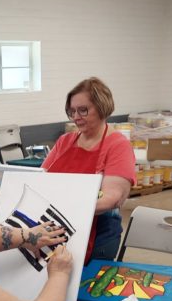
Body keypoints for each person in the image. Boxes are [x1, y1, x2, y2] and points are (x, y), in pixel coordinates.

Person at [43, 77, 136, 263]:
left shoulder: (118, 145)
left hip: (99, 232)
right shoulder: (65, 141)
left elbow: (112, 198)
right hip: (60, 225)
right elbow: (42, 179)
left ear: (101, 108)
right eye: (72, 111)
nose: (76, 117)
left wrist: (68, 206)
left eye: (83, 110)